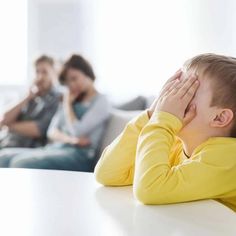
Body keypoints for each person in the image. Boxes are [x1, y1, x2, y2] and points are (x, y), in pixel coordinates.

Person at [94, 53, 236, 212]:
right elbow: (108, 174)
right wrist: (150, 115)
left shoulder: (229, 157)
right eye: (176, 86)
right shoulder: (173, 144)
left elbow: (149, 190)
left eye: (187, 91)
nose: (171, 98)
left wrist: (162, 121)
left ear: (220, 117)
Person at [0, 54, 111, 172]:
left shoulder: (101, 101)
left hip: (81, 156)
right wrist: (71, 140)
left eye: (74, 78)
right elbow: (51, 131)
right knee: (3, 158)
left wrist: (67, 104)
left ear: (87, 73)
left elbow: (78, 130)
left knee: (20, 163)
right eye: (68, 82)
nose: (72, 85)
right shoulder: (74, 100)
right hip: (56, 148)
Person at [0, 55, 60, 148]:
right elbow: (4, 119)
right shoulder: (30, 98)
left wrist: (9, 126)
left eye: (45, 72)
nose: (40, 76)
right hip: (6, 141)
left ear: (55, 73)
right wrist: (27, 97)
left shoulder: (57, 99)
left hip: (25, 147)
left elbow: (39, 129)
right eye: (37, 72)